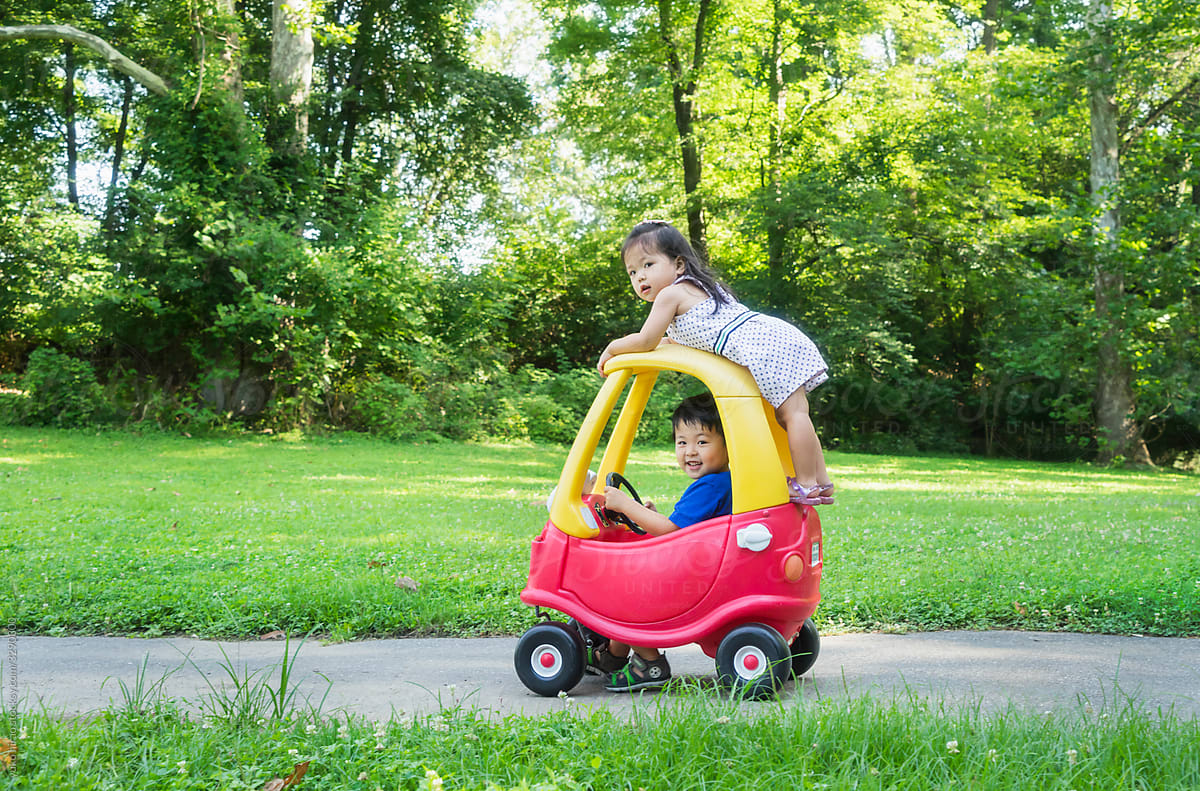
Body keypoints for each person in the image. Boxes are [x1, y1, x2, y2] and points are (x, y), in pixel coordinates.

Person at [597, 219, 834, 506]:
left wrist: (613, 347)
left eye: (648, 265)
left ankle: (807, 484)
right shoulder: (697, 291)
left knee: (793, 414)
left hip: (766, 345)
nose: (640, 277)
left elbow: (647, 340)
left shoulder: (670, 294)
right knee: (794, 414)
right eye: (632, 272)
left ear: (679, 264)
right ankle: (820, 482)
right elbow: (674, 342)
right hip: (772, 338)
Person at [589, 393, 733, 692]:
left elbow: (669, 531)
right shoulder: (724, 481)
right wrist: (647, 516)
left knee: (621, 587)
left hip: (695, 579)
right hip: (707, 566)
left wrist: (628, 506)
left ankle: (648, 663)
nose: (690, 451)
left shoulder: (710, 485)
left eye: (702, 442)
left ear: (728, 445)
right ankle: (613, 655)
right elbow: (686, 529)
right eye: (682, 442)